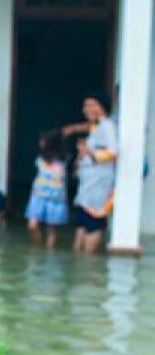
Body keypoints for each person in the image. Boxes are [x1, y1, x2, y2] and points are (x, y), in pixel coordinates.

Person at [63, 91, 118, 254]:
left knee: (93, 222)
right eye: (85, 105)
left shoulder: (107, 126)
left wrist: (89, 152)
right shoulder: (96, 127)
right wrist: (82, 157)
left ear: (101, 107)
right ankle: (79, 260)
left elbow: (114, 152)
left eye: (90, 105)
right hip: (88, 184)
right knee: (82, 223)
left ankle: (88, 263)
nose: (85, 109)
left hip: (98, 185)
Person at [25, 130, 70, 249]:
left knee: (52, 229)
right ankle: (38, 247)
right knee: (32, 225)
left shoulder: (64, 159)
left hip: (56, 197)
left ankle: (48, 252)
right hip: (38, 195)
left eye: (43, 140)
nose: (40, 143)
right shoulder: (40, 158)